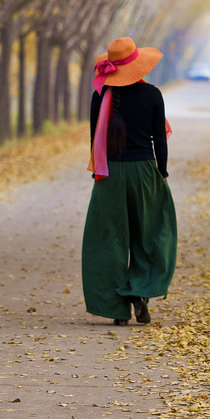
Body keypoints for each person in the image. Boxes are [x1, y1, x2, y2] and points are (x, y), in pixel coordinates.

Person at [81, 36, 177, 326]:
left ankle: (115, 307)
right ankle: (141, 293)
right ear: (137, 65)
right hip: (145, 172)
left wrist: (99, 171)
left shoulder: (101, 95)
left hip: (109, 174)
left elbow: (93, 138)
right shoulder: (152, 95)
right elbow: (159, 140)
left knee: (108, 239)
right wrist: (162, 172)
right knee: (151, 234)